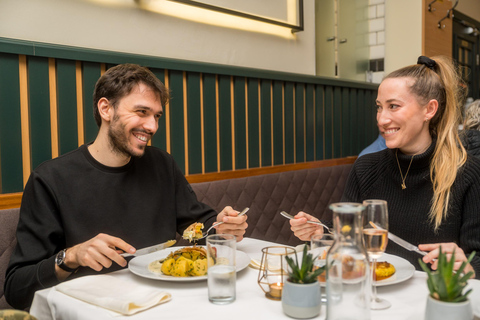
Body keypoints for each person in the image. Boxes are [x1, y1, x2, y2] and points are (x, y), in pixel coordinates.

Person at [4, 64, 248, 309]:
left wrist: (223, 227)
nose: (152, 127)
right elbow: (17, 288)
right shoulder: (50, 179)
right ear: (106, 109)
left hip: (166, 303)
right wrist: (72, 256)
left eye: (156, 116)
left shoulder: (162, 164)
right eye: (141, 111)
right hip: (94, 310)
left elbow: (201, 225)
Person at [289, 56, 480, 278]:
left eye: (393, 106)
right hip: (372, 292)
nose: (382, 119)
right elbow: (349, 232)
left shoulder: (467, 172)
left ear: (429, 110)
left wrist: (468, 265)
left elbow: (477, 258)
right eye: (379, 107)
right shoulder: (366, 166)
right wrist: (322, 229)